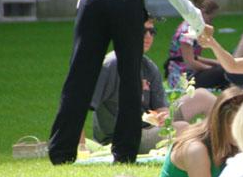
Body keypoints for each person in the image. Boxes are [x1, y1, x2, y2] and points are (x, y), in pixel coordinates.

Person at [49, 0, 207, 165]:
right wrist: (199, 26)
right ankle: (124, 152)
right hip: (126, 1)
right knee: (130, 77)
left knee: (78, 78)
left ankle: (61, 152)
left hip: (91, 3)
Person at [85, 18, 217, 154]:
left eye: (152, 31)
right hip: (121, 137)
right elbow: (78, 106)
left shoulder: (149, 67)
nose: (148, 36)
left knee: (202, 96)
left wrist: (163, 116)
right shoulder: (111, 65)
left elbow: (161, 109)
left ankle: (228, 144)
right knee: (182, 128)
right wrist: (80, 145)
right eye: (143, 31)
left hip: (150, 127)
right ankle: (215, 145)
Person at [165, 0, 229, 90]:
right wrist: (212, 69)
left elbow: (194, 57)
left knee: (224, 68)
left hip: (189, 74)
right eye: (210, 19)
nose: (210, 22)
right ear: (202, 13)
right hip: (182, 79)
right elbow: (190, 62)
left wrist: (217, 63)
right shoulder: (187, 30)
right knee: (222, 72)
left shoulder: (194, 28)